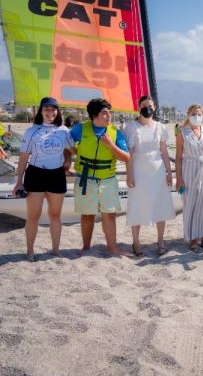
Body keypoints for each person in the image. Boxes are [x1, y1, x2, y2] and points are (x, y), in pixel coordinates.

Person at [12, 97, 75, 261]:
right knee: (34, 216)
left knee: (55, 215)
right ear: (41, 111)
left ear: (58, 112)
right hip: (36, 174)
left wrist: (68, 162)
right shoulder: (31, 131)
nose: (50, 112)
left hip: (57, 176)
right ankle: (30, 251)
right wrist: (19, 181)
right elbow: (24, 157)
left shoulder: (64, 131)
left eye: (53, 109)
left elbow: (71, 149)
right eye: (46, 109)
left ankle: (55, 250)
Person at [69, 98, 131, 256]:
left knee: (109, 214)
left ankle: (112, 248)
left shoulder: (115, 132)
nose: (109, 116)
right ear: (94, 115)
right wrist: (67, 160)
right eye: (104, 113)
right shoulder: (79, 129)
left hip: (108, 179)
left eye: (109, 113)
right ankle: (86, 247)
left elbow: (126, 157)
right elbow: (65, 145)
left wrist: (111, 145)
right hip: (86, 179)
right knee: (87, 214)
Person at [124, 96, 176, 257]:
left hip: (157, 171)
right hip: (139, 171)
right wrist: (129, 174)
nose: (148, 108)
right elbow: (130, 153)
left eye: (150, 105)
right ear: (139, 107)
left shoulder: (160, 127)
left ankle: (160, 241)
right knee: (137, 204)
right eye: (144, 105)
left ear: (155, 108)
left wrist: (169, 172)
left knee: (160, 204)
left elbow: (164, 151)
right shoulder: (131, 127)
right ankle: (136, 241)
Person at [175, 104, 203, 251]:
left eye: (199, 114)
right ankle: (193, 238)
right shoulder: (182, 133)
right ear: (188, 115)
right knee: (190, 204)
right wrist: (179, 178)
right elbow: (178, 158)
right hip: (189, 169)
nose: (196, 116)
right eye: (194, 114)